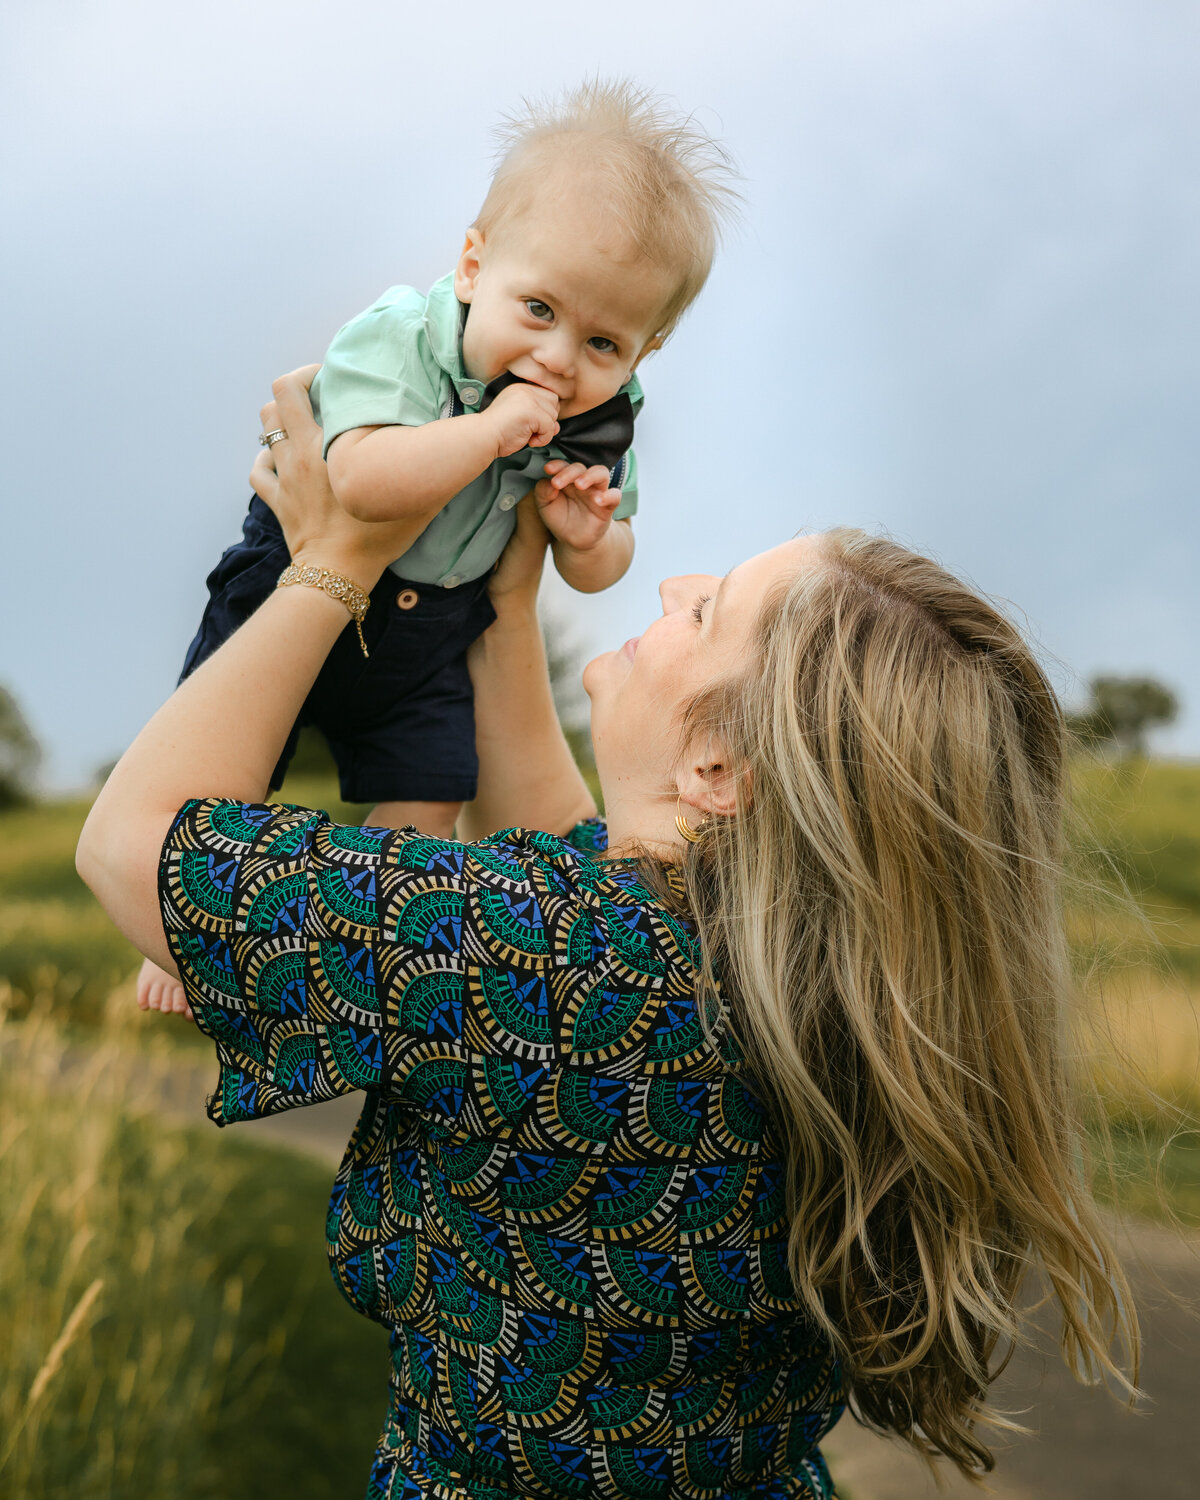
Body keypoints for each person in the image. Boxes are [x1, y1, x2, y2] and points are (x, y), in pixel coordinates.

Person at [79, 370, 1137, 1500]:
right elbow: (561, 835)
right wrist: (508, 593)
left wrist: (333, 561)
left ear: (718, 770)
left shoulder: (533, 955)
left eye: (706, 611)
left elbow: (130, 843)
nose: (673, 581)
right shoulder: (795, 984)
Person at [136, 79, 737, 1019]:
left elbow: (600, 561)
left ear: (643, 353)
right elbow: (363, 486)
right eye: (537, 309)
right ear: (472, 264)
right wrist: (494, 433)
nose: (559, 359)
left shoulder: (602, 417)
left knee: (435, 802)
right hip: (299, 572)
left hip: (436, 628)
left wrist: (588, 535)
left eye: (603, 342)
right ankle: (178, 936)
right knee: (226, 775)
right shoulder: (403, 337)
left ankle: (372, 974)